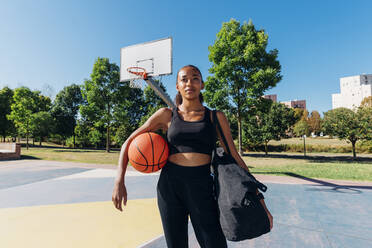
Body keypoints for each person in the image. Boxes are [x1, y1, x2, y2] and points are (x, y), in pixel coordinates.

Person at [112, 65, 273, 248]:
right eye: (184, 79)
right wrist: (119, 180)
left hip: (202, 186)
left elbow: (235, 157)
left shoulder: (215, 117)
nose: (190, 83)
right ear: (177, 86)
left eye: (195, 78)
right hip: (169, 187)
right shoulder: (166, 115)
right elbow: (128, 142)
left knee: (214, 244)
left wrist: (259, 200)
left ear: (202, 84)